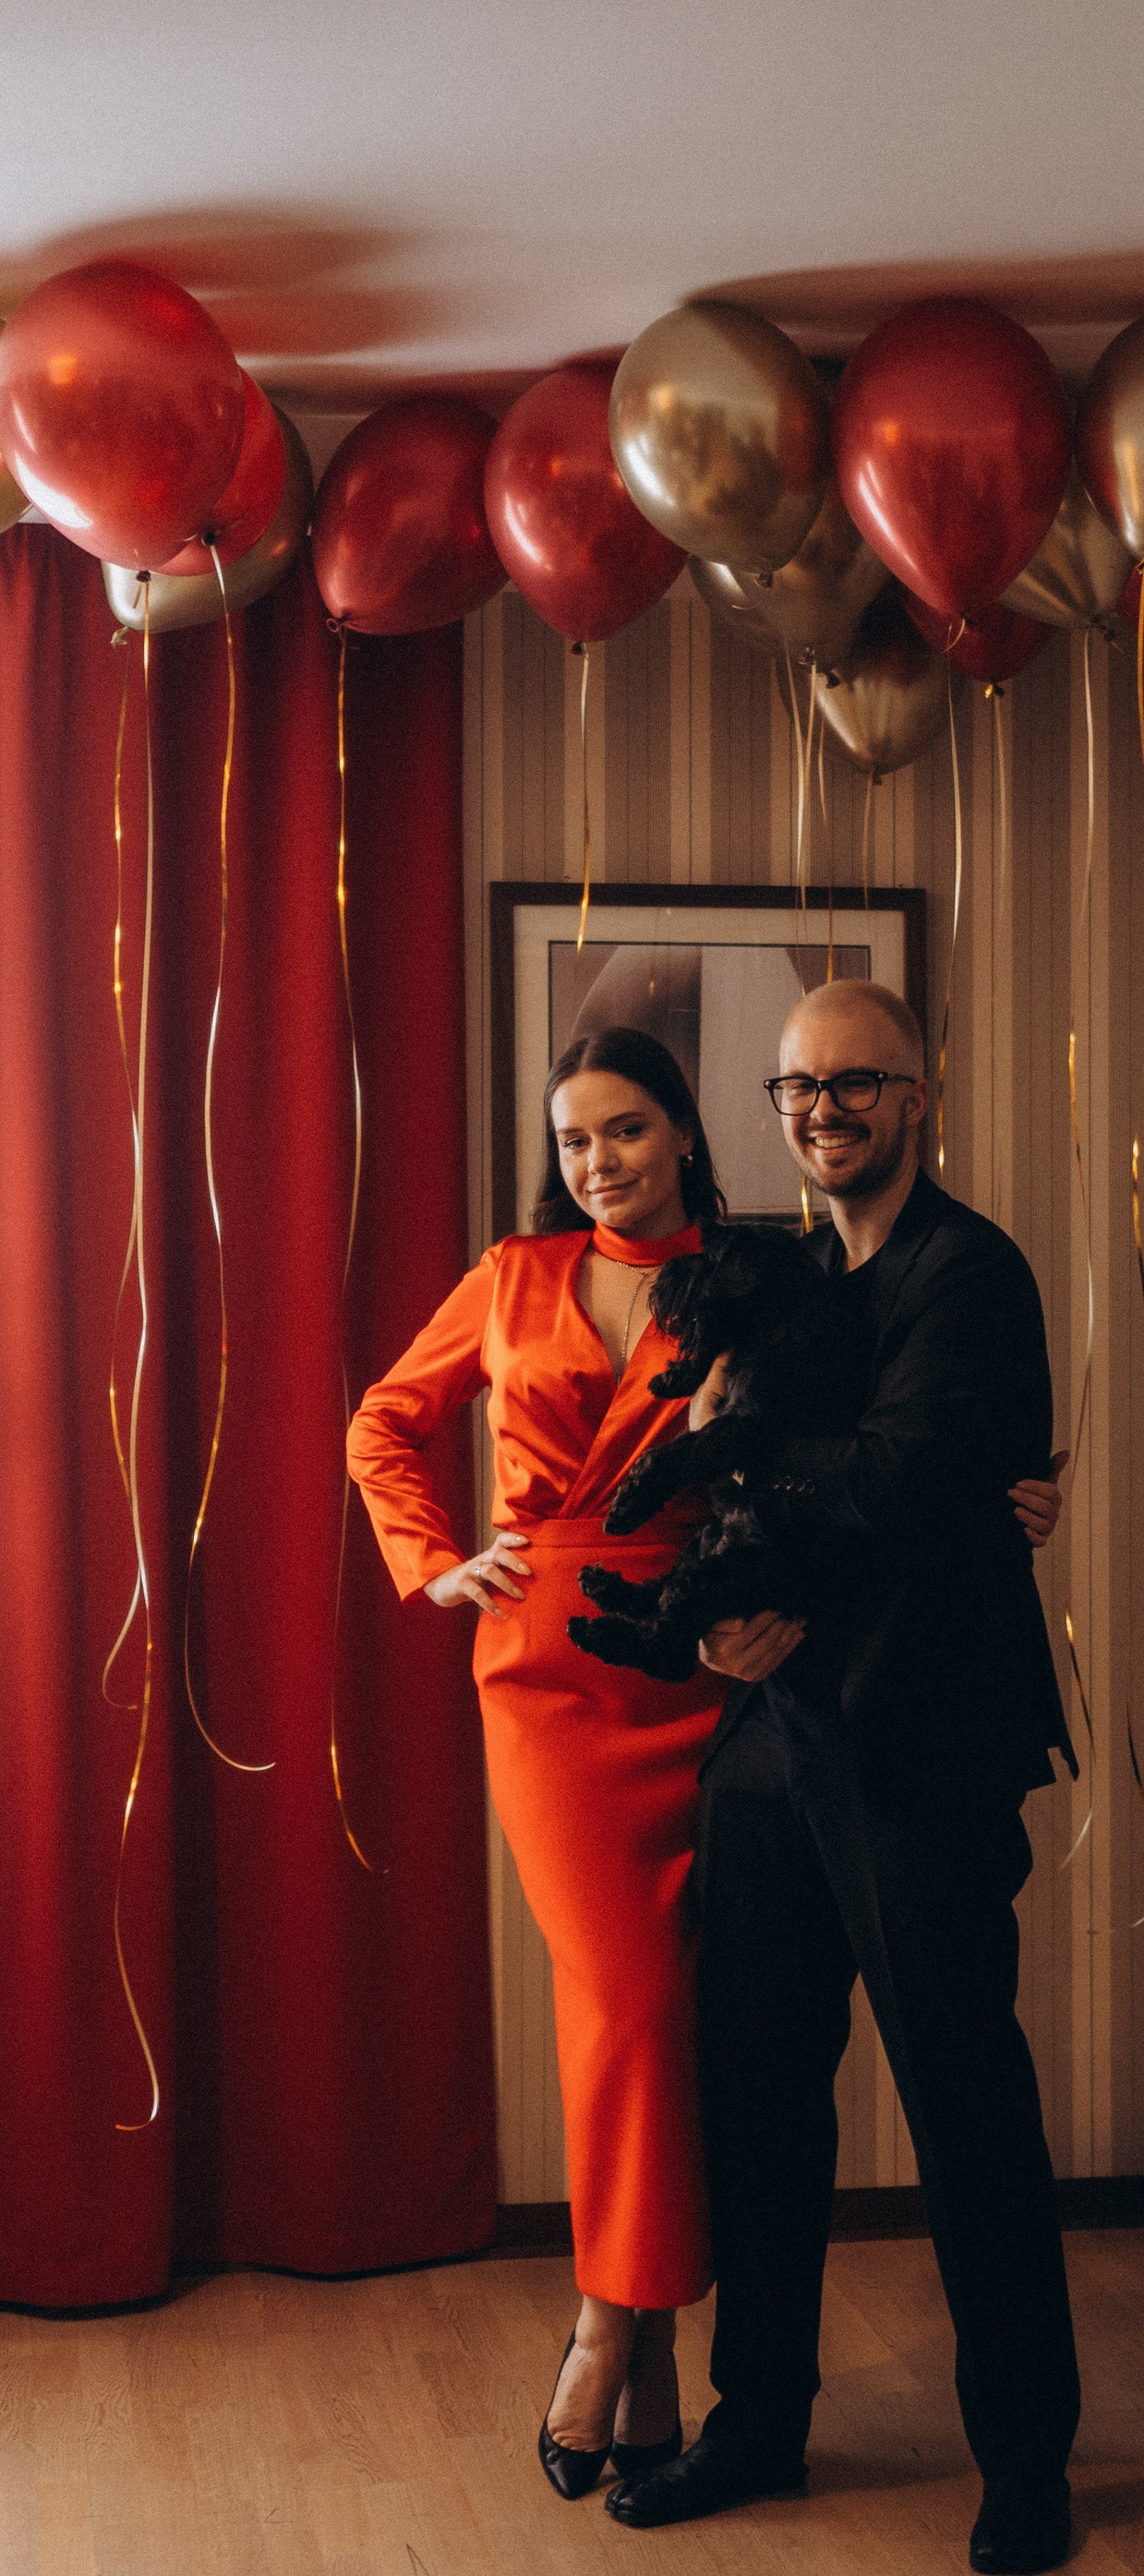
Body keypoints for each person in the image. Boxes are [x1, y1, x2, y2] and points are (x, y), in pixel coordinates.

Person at [607, 980, 1082, 2576]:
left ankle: (1027, 2463)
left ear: (919, 1097)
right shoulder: (784, 1274)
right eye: (798, 1089)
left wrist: (750, 1456)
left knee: (965, 2105)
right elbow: (775, 1491)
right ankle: (758, 2423)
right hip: (770, 1739)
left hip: (923, 1748)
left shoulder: (973, 1273)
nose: (822, 1113)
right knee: (756, 2099)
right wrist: (734, 1604)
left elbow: (898, 1482)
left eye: (855, 1085)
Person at [346, 1027, 727, 2500]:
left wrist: (1012, 1485)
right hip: (551, 1680)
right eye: (574, 1140)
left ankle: (640, 2352)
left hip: (703, 1662)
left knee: (669, 2019)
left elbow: (850, 1438)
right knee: (628, 2001)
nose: (598, 1161)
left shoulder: (750, 1281)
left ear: (682, 1130)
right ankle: (611, 2325)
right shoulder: (512, 1277)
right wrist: (435, 1561)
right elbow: (384, 1424)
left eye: (624, 1129)